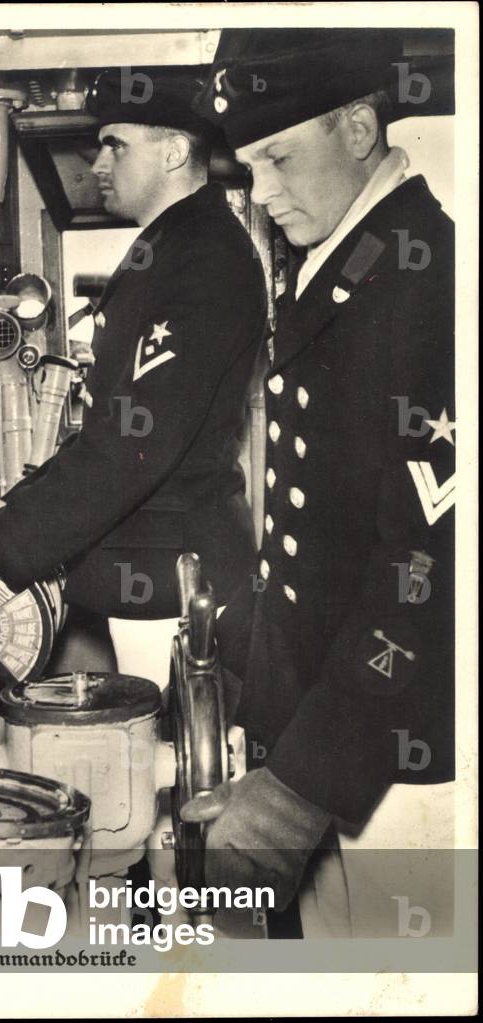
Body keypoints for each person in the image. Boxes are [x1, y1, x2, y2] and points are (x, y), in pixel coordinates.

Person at [184, 31, 456, 937]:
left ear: (358, 125)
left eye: (278, 159)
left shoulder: (432, 277)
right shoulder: (348, 260)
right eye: (248, 166)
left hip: (397, 754)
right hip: (333, 732)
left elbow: (427, 565)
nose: (262, 193)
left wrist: (302, 786)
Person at [0, 71, 267, 673]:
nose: (97, 160)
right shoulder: (176, 246)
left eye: (116, 144)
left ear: (175, 151)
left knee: (159, 761)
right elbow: (111, 427)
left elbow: (137, 444)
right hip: (143, 567)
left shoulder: (205, 256)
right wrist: (7, 509)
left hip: (169, 579)